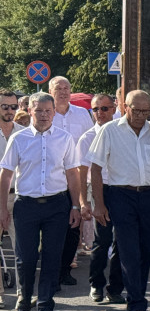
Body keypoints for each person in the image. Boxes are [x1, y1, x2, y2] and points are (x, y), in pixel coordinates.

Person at [0, 92, 82, 311]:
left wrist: (75, 205)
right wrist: (2, 209)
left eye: (48, 111)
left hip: (57, 204)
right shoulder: (19, 139)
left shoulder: (65, 139)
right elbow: (5, 175)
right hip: (26, 205)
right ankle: (25, 295)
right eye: (39, 111)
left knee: (52, 257)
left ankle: (45, 306)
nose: (44, 115)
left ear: (54, 112)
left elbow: (72, 174)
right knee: (25, 257)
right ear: (30, 111)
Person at [90, 90, 150, 311]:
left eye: (146, 111)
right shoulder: (110, 130)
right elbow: (94, 169)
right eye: (137, 110)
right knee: (128, 252)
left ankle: (135, 296)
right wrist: (99, 204)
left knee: (146, 252)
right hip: (121, 194)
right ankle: (137, 304)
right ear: (125, 107)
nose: (141, 116)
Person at [77, 94, 124, 305]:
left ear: (114, 109)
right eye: (95, 109)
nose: (99, 113)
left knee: (122, 241)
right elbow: (81, 172)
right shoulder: (87, 137)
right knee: (102, 241)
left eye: (104, 108)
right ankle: (96, 284)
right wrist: (84, 203)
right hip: (99, 190)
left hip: (122, 190)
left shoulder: (122, 132)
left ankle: (115, 288)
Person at [49, 76, 93, 287]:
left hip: (76, 178)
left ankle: (65, 269)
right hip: (53, 180)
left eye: (67, 88)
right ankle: (53, 272)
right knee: (55, 228)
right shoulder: (45, 114)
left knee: (73, 227)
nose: (64, 92)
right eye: (59, 88)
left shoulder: (82, 114)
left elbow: (90, 141)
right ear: (51, 91)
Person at [0, 90, 26, 299]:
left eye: (13, 106)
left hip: (19, 197)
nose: (10, 111)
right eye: (5, 106)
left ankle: (22, 293)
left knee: (22, 249)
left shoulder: (24, 133)